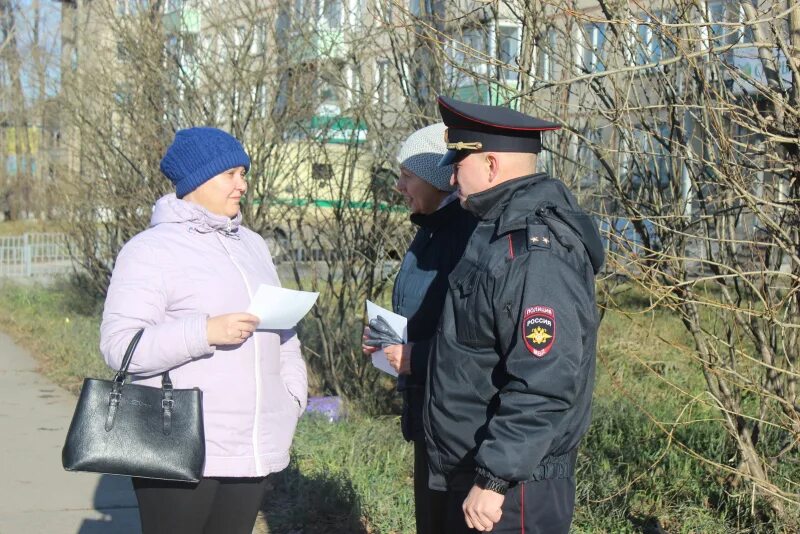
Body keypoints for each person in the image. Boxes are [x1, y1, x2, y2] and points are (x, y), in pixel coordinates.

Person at [99, 127, 308, 534]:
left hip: (251, 445)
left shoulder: (254, 245)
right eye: (231, 174)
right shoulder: (149, 250)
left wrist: (292, 396)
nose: (242, 185)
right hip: (176, 444)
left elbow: (284, 333)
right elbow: (119, 346)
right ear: (197, 179)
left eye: (243, 174)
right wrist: (205, 332)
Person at [423, 96, 605, 533]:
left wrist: (495, 477)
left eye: (457, 163)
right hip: (483, 470)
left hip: (513, 488)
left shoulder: (533, 253)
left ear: (490, 165)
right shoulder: (494, 231)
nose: (450, 176)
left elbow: (545, 380)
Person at [362, 122, 477, 533]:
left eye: (407, 176)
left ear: (437, 177)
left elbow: (473, 335)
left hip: (455, 416)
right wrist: (386, 338)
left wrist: (416, 355)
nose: (398, 187)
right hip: (428, 405)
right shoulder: (428, 228)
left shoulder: (466, 234)